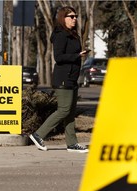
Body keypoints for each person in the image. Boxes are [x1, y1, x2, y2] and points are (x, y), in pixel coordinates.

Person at [29, 6, 89, 153]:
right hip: (63, 78)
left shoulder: (73, 34)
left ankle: (72, 143)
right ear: (63, 18)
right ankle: (38, 135)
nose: (74, 19)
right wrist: (77, 55)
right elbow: (59, 57)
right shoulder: (61, 35)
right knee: (64, 110)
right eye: (71, 17)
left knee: (70, 113)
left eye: (75, 16)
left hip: (72, 78)